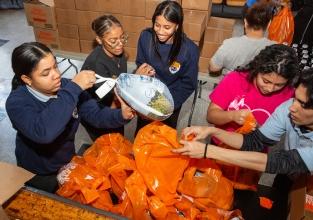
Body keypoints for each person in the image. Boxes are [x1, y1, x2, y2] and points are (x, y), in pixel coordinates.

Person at [173, 66, 313, 219]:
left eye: (303, 104)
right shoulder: (289, 107)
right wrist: (213, 131)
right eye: (295, 98)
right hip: (290, 175)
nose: (292, 107)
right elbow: (255, 142)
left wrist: (208, 151)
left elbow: (277, 162)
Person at [6, 42, 135, 193]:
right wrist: (73, 89)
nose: (56, 75)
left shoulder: (66, 88)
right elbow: (44, 132)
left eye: (55, 66)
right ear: (27, 79)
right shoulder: (17, 103)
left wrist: (120, 115)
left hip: (66, 160)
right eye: (46, 73)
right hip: (37, 171)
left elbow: (94, 114)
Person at [208, 44, 299, 146]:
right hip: (220, 145)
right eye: (266, 81)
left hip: (254, 153)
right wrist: (232, 116)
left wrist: (260, 130)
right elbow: (211, 116)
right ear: (257, 69)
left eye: (279, 85)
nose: (270, 89)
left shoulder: (290, 95)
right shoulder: (236, 80)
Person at [80, 15, 153, 140]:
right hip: (99, 113)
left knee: (119, 140)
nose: (120, 44)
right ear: (99, 39)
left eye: (122, 37)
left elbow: (119, 82)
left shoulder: (119, 53)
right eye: (113, 41)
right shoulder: (96, 65)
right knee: (108, 148)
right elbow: (112, 102)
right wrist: (135, 79)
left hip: (113, 106)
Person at [135, 1, 199, 131]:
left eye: (167, 27)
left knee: (163, 141)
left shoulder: (189, 50)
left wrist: (160, 106)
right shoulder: (145, 37)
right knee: (142, 134)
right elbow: (140, 62)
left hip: (170, 99)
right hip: (147, 94)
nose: (160, 31)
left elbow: (187, 84)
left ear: (177, 26)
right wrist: (141, 73)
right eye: (157, 25)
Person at [210, 2, 275, 75]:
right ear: (269, 24)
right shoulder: (275, 49)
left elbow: (213, 68)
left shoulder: (229, 44)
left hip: (232, 85)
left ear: (245, 22)